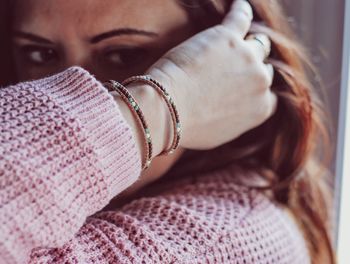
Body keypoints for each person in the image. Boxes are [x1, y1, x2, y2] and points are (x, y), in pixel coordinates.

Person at [0, 0, 335, 263]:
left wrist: (156, 106)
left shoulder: (228, 238)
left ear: (223, 68)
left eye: (124, 54)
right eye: (40, 53)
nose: (88, 92)